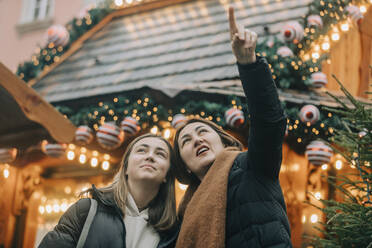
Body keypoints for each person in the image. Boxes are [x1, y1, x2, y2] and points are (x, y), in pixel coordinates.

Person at [173, 6, 292, 248]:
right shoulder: (185, 210)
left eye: (203, 132)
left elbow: (269, 122)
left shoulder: (252, 166)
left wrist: (248, 64)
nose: (196, 140)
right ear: (183, 165)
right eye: (185, 141)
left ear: (225, 141)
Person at [39, 133, 179, 248]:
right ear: (125, 168)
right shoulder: (86, 211)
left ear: (167, 174)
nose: (150, 156)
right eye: (141, 150)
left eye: (160, 154)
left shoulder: (172, 233)